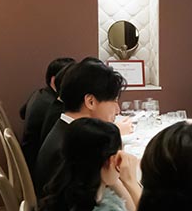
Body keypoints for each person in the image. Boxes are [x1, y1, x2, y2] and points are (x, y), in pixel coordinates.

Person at [34, 61, 126, 192]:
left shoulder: (65, 130)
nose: (118, 110)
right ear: (90, 101)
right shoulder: (73, 147)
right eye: (114, 101)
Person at [19, 56, 74, 172]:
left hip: (31, 157)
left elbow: (21, 113)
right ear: (55, 80)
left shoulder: (40, 94)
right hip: (38, 166)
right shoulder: (53, 107)